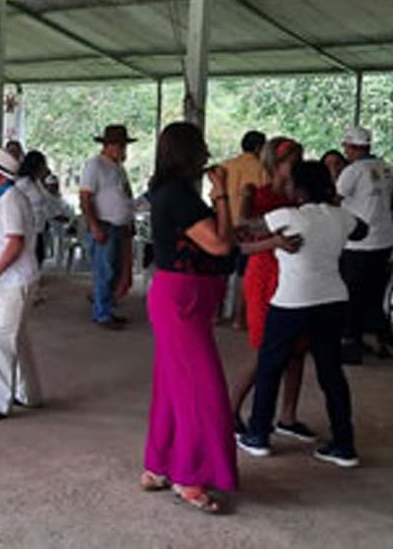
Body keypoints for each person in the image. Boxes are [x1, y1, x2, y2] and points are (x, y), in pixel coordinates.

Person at [238, 161, 367, 468]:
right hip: (333, 299)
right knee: (331, 372)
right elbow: (363, 231)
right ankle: (344, 444)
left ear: (297, 188)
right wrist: (335, 207)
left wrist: (250, 204)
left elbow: (242, 231)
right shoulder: (341, 217)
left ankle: (258, 434)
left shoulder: (288, 216)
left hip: (292, 301)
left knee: (270, 365)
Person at [141, 122, 240, 514]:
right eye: (200, 148)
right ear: (189, 154)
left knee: (173, 386)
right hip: (181, 297)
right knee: (202, 390)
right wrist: (222, 195)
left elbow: (223, 235)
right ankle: (189, 474)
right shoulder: (178, 195)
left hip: (187, 296)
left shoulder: (175, 193)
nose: (206, 154)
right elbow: (218, 243)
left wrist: (225, 201)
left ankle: (159, 465)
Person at [231, 137, 312, 441]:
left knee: (298, 348)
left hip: (295, 275)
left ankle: (288, 415)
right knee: (268, 349)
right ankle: (232, 406)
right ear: (276, 165)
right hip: (266, 273)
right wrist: (275, 241)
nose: (298, 167)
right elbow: (243, 239)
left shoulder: (302, 198)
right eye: (293, 161)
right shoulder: (257, 194)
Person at [0, 147, 43, 424]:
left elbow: (15, 243)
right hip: (10, 281)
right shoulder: (2, 198)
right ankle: (29, 393)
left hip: (13, 282)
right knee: (16, 336)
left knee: (1, 338)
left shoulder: (10, 200)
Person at [336, 126, 393, 363]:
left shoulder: (353, 171)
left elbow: (336, 198)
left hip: (358, 243)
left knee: (352, 296)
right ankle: (386, 340)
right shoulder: (386, 168)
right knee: (374, 296)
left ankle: (352, 345)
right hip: (383, 240)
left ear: (352, 147)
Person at [80, 125, 135, 330]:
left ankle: (107, 308)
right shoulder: (95, 165)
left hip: (119, 226)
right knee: (105, 271)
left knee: (115, 270)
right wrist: (93, 225)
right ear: (109, 146)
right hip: (105, 224)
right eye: (120, 146)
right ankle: (101, 314)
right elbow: (85, 198)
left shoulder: (118, 168)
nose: (123, 151)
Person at [222, 130, 267, 330]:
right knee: (243, 273)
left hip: (225, 225)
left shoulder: (226, 166)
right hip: (247, 228)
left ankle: (215, 315)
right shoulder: (262, 169)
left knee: (221, 271)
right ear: (259, 148)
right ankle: (239, 318)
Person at [15, 151, 50, 267]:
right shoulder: (23, 184)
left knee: (38, 257)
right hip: (28, 227)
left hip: (39, 226)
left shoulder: (36, 183)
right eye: (43, 165)